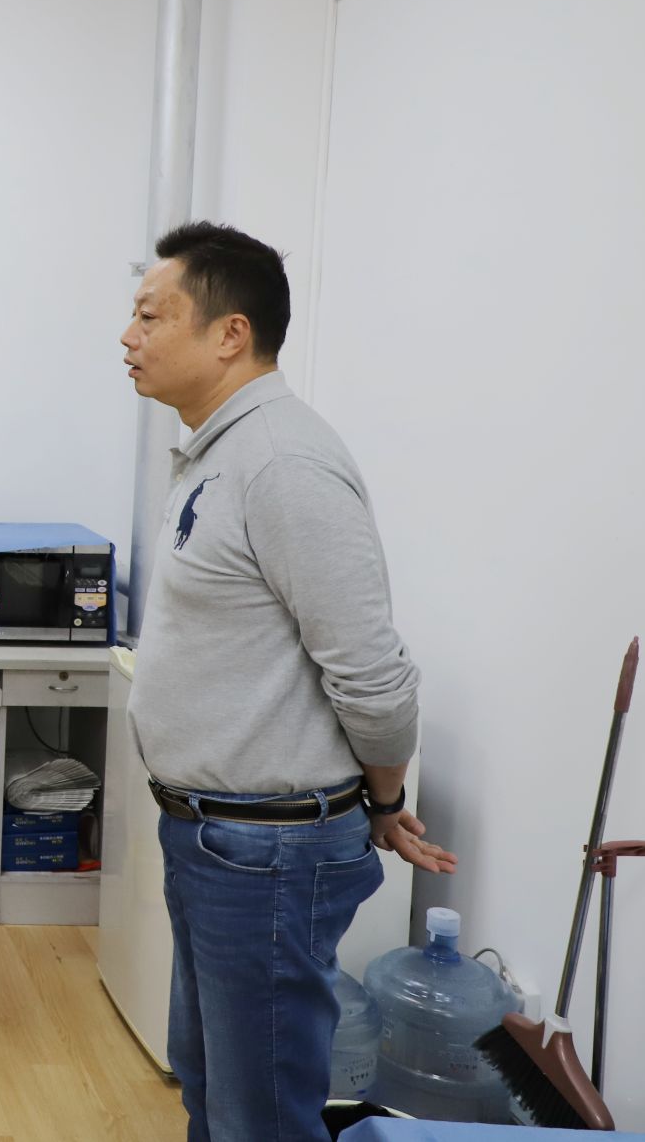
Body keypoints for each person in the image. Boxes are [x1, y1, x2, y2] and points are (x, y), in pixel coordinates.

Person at [120, 221, 458, 1142]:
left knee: (259, 1113)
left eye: (151, 315)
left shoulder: (282, 462)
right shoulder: (218, 450)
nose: (128, 335)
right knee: (211, 1082)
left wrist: (384, 796)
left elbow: (373, 673)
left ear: (230, 333)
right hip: (215, 837)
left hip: (265, 852)